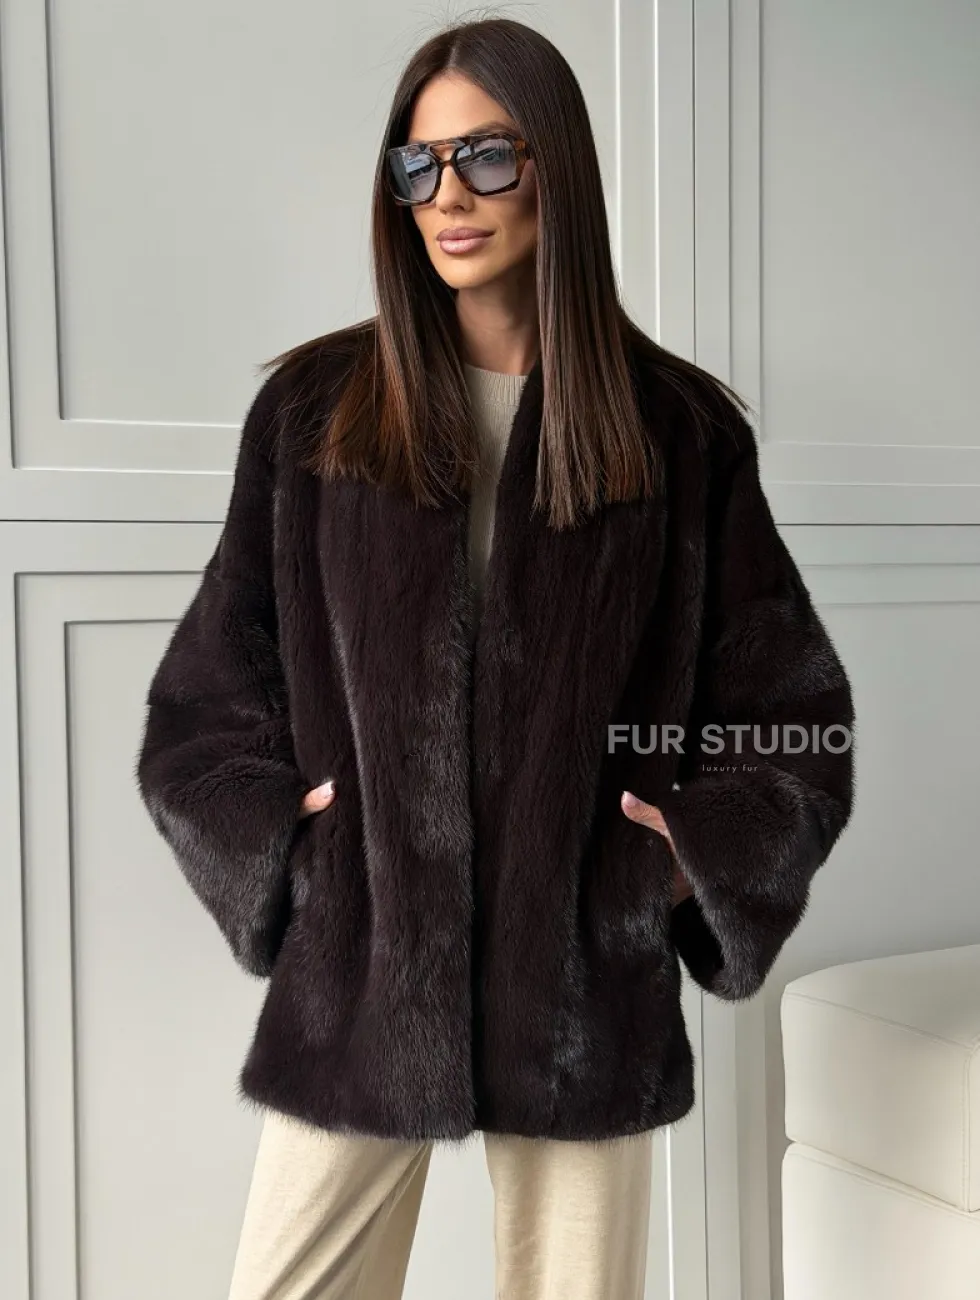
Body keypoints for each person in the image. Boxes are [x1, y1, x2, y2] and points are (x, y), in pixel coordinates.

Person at [135, 17, 855, 1300]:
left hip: (582, 980)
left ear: (554, 165)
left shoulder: (677, 430)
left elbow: (787, 708)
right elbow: (209, 696)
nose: (447, 196)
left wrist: (680, 858)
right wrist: (291, 845)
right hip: (361, 968)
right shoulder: (314, 412)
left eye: (484, 155)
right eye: (417, 166)